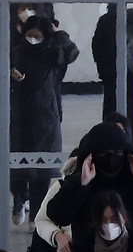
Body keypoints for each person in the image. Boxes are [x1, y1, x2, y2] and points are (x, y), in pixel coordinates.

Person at [10, 16, 80, 222]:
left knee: (42, 167)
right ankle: (19, 199)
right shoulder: (15, 52)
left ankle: (36, 215)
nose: (32, 39)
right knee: (16, 163)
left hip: (46, 115)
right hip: (18, 115)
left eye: (37, 35)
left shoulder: (53, 54)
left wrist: (59, 33)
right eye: (29, 35)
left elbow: (72, 52)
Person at [46, 121, 133, 237]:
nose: (110, 157)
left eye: (117, 152)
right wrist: (80, 184)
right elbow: (58, 215)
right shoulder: (81, 182)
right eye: (103, 153)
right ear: (91, 156)